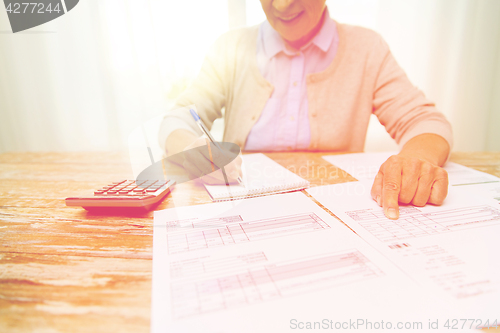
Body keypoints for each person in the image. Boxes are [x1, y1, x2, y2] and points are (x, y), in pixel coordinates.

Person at [158, 0, 452, 220]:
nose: (283, 5)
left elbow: (425, 121)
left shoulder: (367, 49)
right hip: (243, 212)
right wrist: (191, 150)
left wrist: (416, 158)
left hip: (337, 213)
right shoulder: (230, 48)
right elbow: (178, 118)